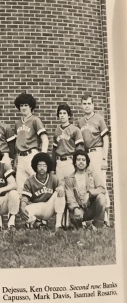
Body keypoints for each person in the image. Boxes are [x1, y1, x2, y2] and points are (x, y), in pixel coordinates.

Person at [77, 93, 111, 226]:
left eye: (89, 104)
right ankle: (92, 216)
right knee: (89, 183)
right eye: (84, 104)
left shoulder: (99, 119)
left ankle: (106, 216)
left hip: (97, 152)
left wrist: (104, 158)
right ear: (81, 105)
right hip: (86, 155)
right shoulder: (80, 122)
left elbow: (106, 139)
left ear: (93, 105)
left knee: (101, 183)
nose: (86, 106)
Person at [20, 152, 66, 230]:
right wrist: (22, 207)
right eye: (39, 165)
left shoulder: (53, 178)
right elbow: (25, 198)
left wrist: (61, 187)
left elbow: (62, 182)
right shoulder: (30, 180)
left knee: (60, 193)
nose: (42, 168)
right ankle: (37, 224)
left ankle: (58, 225)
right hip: (37, 206)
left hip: (49, 207)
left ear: (48, 167)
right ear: (35, 166)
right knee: (27, 212)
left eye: (44, 166)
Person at [13, 92, 49, 194]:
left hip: (31, 155)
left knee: (37, 184)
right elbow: (17, 143)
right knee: (20, 187)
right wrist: (16, 159)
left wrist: (42, 156)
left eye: (26, 105)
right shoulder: (17, 123)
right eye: (21, 105)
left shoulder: (35, 120)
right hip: (20, 157)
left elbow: (45, 138)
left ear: (31, 107)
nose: (23, 108)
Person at [63, 150, 106, 229]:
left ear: (87, 163)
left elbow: (102, 189)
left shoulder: (92, 175)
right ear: (75, 162)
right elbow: (70, 196)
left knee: (101, 197)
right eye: (78, 160)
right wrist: (75, 208)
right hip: (79, 209)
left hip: (91, 207)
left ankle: (98, 226)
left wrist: (89, 193)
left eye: (83, 160)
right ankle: (85, 225)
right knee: (75, 218)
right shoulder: (69, 178)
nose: (81, 162)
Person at [51, 103, 84, 181]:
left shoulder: (75, 129)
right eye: (60, 113)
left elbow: (80, 149)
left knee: (72, 187)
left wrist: (78, 164)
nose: (62, 115)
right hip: (59, 163)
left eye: (64, 113)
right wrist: (53, 168)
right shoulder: (56, 131)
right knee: (60, 187)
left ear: (69, 116)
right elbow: (54, 151)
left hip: (70, 162)